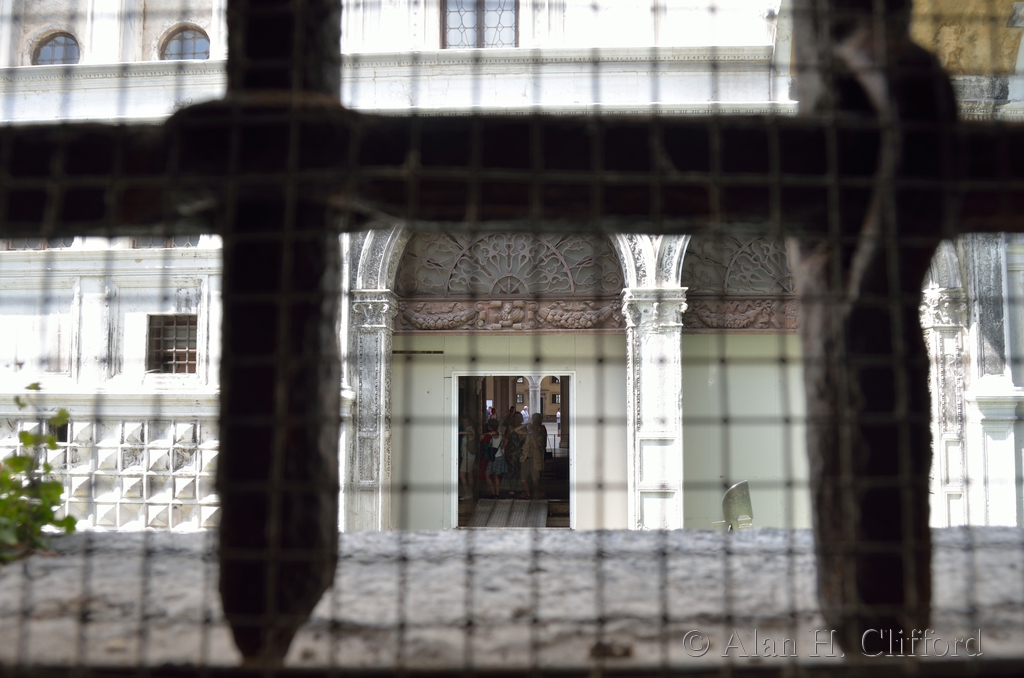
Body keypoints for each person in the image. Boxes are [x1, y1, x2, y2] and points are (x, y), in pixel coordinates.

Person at [520, 413, 547, 499]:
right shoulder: (526, 434)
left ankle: (536, 492)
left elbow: (536, 446)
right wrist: (525, 425)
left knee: (535, 479)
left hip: (535, 458)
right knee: (523, 479)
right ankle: (528, 493)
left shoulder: (539, 435)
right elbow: (516, 431)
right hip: (526, 458)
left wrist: (531, 435)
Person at [483, 418, 505, 498]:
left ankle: (494, 493)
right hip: (498, 455)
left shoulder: (495, 433)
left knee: (490, 475)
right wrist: (502, 447)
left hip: (495, 457)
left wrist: (484, 434)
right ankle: (496, 493)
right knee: (495, 475)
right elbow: (506, 440)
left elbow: (494, 433)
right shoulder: (500, 433)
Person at [457, 416, 477, 501]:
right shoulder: (468, 429)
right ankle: (470, 493)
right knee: (470, 474)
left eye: (466, 422)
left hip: (468, 456)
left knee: (462, 475)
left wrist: (459, 432)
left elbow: (470, 433)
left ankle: (467, 493)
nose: (465, 423)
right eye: (464, 422)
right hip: (468, 456)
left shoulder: (470, 429)